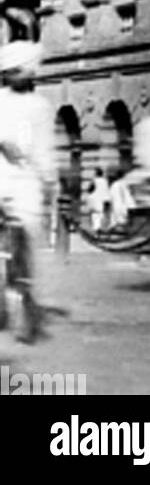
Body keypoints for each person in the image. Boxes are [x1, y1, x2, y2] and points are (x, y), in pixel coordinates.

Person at [0, 40, 56, 342]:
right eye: (9, 71)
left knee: (24, 243)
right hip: (1, 176)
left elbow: (45, 150)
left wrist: (48, 182)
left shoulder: (41, 107)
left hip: (27, 182)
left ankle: (23, 298)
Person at [87, 167, 110, 234]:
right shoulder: (105, 181)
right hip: (102, 200)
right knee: (100, 214)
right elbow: (106, 191)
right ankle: (99, 228)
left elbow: (89, 190)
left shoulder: (94, 180)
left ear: (96, 173)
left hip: (95, 199)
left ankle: (96, 229)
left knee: (95, 215)